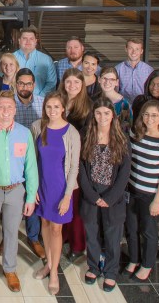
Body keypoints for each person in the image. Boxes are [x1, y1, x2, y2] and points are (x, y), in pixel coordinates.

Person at [0, 92, 38, 294]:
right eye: (1, 107)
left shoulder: (24, 133)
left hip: (15, 191)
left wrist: (31, 197)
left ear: (15, 110)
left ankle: (10, 269)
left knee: (12, 232)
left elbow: (31, 167)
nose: (5, 111)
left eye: (9, 107)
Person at [78, 99, 131, 292]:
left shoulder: (122, 138)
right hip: (90, 194)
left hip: (113, 196)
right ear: (93, 115)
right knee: (92, 234)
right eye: (98, 113)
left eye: (106, 113)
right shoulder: (86, 135)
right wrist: (92, 195)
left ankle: (110, 271)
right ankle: (93, 267)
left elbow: (125, 172)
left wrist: (110, 197)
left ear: (112, 115)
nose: (102, 117)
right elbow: (80, 168)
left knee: (112, 236)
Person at [30, 92, 80, 295]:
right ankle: (48, 264)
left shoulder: (71, 132)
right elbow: (32, 160)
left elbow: (74, 167)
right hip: (42, 185)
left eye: (56, 107)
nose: (52, 111)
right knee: (44, 223)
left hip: (60, 188)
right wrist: (33, 187)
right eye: (49, 107)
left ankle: (54, 273)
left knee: (57, 229)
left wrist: (67, 196)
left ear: (63, 108)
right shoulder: (37, 126)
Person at [124, 99, 159, 282]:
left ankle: (146, 265)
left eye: (154, 115)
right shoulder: (135, 134)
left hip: (151, 194)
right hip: (132, 190)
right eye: (146, 114)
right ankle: (134, 259)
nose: (149, 118)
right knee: (131, 228)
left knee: (149, 231)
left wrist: (157, 201)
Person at [58, 68, 92, 258]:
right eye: (68, 81)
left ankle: (77, 244)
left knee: (75, 202)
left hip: (77, 161)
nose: (72, 86)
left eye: (76, 82)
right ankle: (63, 235)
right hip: (58, 160)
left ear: (82, 85)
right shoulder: (57, 101)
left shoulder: (88, 106)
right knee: (61, 199)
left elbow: (89, 137)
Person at [11, 68, 45, 257]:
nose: (25, 87)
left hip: (37, 158)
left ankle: (33, 237)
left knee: (33, 196)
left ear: (34, 85)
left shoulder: (42, 103)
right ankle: (9, 237)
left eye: (28, 84)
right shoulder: (9, 102)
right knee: (14, 200)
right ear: (16, 84)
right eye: (21, 83)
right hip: (12, 159)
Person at [14, 27, 57, 96]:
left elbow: (51, 83)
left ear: (36, 41)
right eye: (24, 38)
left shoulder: (46, 60)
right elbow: (5, 81)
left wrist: (39, 98)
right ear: (19, 41)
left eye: (31, 39)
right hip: (15, 100)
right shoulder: (11, 58)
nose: (28, 41)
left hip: (41, 100)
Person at [114, 38, 154, 102]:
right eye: (131, 48)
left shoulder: (149, 70)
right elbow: (114, 91)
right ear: (126, 49)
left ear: (141, 51)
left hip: (143, 105)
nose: (134, 52)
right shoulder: (117, 69)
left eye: (137, 49)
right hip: (123, 105)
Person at [98, 66, 133, 131]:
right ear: (99, 79)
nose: (107, 82)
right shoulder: (93, 99)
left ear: (117, 82)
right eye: (104, 78)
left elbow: (128, 127)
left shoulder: (124, 104)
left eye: (112, 79)